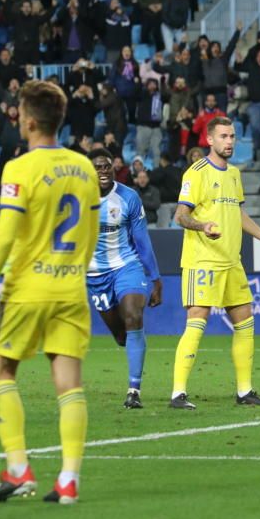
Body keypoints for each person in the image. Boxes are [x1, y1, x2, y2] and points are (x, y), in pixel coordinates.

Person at [0, 81, 100, 505]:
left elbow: (5, 234)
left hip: (26, 289)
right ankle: (68, 480)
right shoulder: (84, 167)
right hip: (70, 290)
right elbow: (91, 231)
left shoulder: (20, 168)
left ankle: (18, 469)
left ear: (27, 120)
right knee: (69, 385)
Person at [171, 117, 260, 409]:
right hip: (203, 260)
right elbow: (180, 215)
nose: (230, 142)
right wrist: (202, 226)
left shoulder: (233, 174)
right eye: (224, 136)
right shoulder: (197, 172)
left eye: (233, 137)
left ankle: (245, 392)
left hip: (232, 261)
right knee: (197, 320)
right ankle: (178, 393)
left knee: (245, 321)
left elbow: (239, 216)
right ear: (210, 139)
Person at [86, 149, 163, 409]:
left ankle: (134, 390)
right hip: (95, 275)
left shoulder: (129, 197)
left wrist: (155, 278)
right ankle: (131, 345)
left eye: (107, 166)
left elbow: (142, 240)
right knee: (122, 336)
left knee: (133, 316)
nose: (103, 171)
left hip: (126, 266)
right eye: (97, 167)